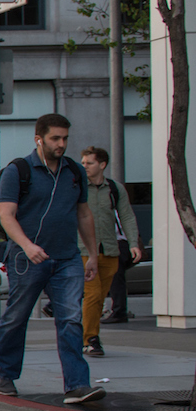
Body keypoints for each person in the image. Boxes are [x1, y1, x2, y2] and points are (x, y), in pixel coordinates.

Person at [0, 112, 103, 404]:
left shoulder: (74, 172)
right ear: (38, 138)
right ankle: (4, 374)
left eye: (65, 138)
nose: (61, 144)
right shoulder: (17, 171)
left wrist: (92, 254)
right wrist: (28, 246)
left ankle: (77, 385)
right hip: (27, 258)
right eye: (55, 138)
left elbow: (84, 214)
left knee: (70, 319)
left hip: (67, 258)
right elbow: (7, 216)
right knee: (17, 318)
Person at [77, 146, 141, 357]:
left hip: (110, 249)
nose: (84, 166)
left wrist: (133, 243)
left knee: (99, 298)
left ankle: (86, 337)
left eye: (90, 163)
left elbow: (127, 216)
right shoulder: (78, 187)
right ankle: (90, 339)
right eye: (83, 162)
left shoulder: (114, 188)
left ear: (102, 165)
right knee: (93, 295)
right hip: (84, 250)